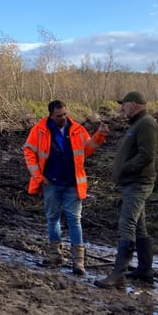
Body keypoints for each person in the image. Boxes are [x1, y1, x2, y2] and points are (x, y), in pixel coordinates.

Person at [23, 99, 109, 275]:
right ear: (50, 115)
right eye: (59, 116)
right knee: (52, 219)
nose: (63, 118)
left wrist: (100, 135)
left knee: (74, 220)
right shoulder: (39, 130)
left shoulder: (77, 129)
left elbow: (87, 149)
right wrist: (38, 176)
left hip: (72, 183)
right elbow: (29, 151)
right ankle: (55, 256)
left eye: (64, 114)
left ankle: (78, 262)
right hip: (51, 183)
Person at [95, 91, 158, 288]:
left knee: (127, 224)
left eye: (124, 104)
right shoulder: (137, 124)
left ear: (134, 104)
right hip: (132, 182)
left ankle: (118, 275)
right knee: (139, 225)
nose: (122, 108)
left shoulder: (146, 123)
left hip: (138, 183)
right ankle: (145, 270)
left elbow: (146, 155)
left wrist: (125, 168)